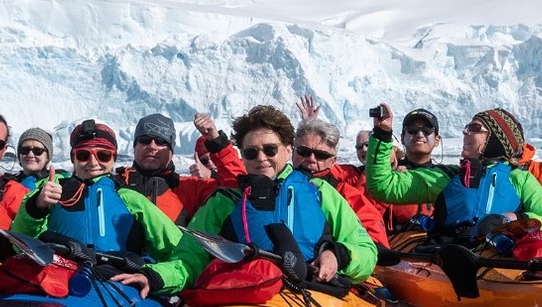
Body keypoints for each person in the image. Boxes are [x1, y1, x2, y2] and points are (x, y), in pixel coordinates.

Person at [184, 105, 378, 284]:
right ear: (242, 156)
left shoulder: (319, 191)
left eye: (270, 149)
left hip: (311, 292)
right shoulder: (225, 201)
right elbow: (186, 259)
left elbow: (366, 250)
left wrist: (337, 255)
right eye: (251, 153)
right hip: (246, 295)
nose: (261, 158)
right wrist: (156, 278)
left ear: (287, 150)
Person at [13, 119, 205, 298]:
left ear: (113, 159)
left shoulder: (131, 200)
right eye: (83, 154)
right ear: (73, 158)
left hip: (117, 286)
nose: (93, 162)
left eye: (103, 155)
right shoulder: (49, 192)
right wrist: (36, 207)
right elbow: (17, 245)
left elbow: (181, 253)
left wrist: (155, 276)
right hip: (56, 284)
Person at [365, 104, 542, 244]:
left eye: (474, 128)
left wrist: (515, 218)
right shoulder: (449, 177)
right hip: (451, 255)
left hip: (502, 257)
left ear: (496, 138)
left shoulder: (520, 178)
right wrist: (382, 134)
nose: (465, 132)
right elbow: (383, 185)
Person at [112, 112, 245, 224]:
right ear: (134, 146)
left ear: (171, 150)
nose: (152, 146)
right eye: (145, 140)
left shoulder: (192, 189)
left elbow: (237, 191)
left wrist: (218, 143)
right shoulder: (114, 185)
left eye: (161, 142)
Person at [291, 117, 389, 248]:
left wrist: (339, 254)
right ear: (292, 151)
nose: (311, 159)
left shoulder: (346, 194)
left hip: (330, 264)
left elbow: (375, 240)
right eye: (304, 152)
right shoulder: (275, 184)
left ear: (333, 161)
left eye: (321, 155)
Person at [382, 108, 442, 234]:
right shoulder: (387, 174)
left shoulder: (444, 176)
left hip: (436, 245)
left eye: (427, 131)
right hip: (395, 246)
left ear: (437, 140)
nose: (420, 134)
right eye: (412, 130)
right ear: (402, 138)